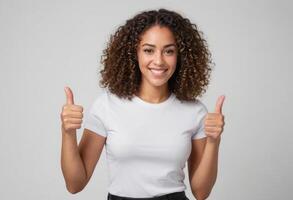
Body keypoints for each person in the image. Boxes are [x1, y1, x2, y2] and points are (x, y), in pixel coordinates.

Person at [60, 8, 225, 200]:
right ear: (134, 53)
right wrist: (68, 133)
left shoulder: (194, 111)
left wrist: (214, 142)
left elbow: (201, 192)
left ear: (180, 56)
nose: (159, 60)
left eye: (169, 51)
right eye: (148, 50)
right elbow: (74, 184)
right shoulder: (107, 105)